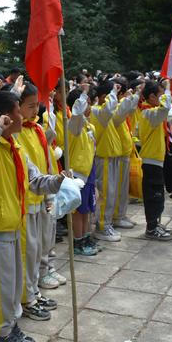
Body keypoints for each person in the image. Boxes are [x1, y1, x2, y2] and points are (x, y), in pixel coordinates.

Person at [0, 91, 70, 342]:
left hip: (14, 224)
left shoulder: (14, 147)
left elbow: (35, 181)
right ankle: (0, 334)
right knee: (1, 285)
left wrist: (59, 180)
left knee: (13, 284)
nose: (23, 115)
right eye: (17, 110)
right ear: (4, 117)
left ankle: (10, 325)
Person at [16, 83, 58, 321]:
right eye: (29, 106)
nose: (35, 110)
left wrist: (50, 194)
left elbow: (46, 161)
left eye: (36, 105)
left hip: (41, 196)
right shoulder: (16, 130)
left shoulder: (37, 129)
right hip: (26, 199)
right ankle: (26, 297)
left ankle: (33, 291)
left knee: (40, 247)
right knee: (28, 252)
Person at [138, 80, 172, 240]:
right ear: (152, 97)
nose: (162, 98)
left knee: (158, 195)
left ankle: (155, 224)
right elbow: (165, 108)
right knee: (154, 196)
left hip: (156, 160)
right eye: (159, 95)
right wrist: (168, 88)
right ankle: (151, 228)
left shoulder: (151, 111)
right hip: (151, 161)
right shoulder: (149, 113)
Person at [67, 85, 98, 255]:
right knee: (78, 212)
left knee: (87, 209)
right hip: (77, 175)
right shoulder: (73, 126)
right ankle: (78, 241)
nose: (90, 107)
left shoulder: (89, 126)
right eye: (86, 103)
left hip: (89, 172)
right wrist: (81, 97)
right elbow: (76, 117)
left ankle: (86, 237)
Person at [90, 81, 122, 242]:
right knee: (105, 193)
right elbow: (109, 108)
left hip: (111, 157)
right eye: (110, 95)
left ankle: (106, 223)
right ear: (103, 97)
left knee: (111, 192)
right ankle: (102, 226)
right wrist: (113, 93)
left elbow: (121, 112)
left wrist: (131, 97)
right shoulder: (97, 111)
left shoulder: (104, 112)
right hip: (103, 158)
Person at [111, 78, 141, 229]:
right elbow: (122, 112)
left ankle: (122, 214)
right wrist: (129, 98)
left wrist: (134, 96)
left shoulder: (120, 106)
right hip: (119, 153)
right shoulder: (114, 108)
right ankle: (117, 216)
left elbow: (130, 109)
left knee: (123, 188)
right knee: (118, 189)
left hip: (125, 153)